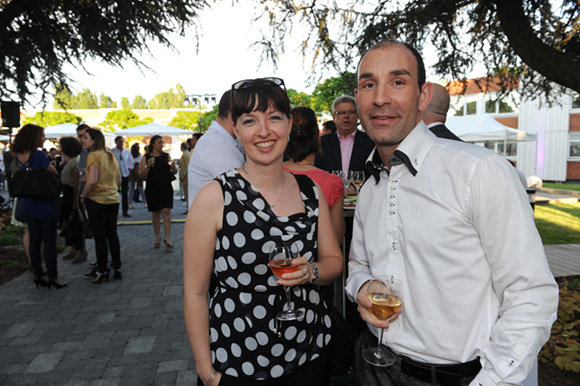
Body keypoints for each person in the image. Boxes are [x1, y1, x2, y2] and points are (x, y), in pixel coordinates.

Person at [346, 40, 559, 385]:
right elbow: (357, 264)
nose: (381, 98)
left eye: (398, 82)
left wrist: (492, 381)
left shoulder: (477, 171)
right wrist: (364, 285)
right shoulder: (370, 188)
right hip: (374, 366)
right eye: (369, 84)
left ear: (423, 95)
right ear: (358, 98)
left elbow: (531, 293)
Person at [184, 77, 343, 386]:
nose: (264, 131)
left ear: (288, 123)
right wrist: (208, 373)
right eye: (249, 120)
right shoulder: (215, 197)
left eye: (274, 117)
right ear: (235, 129)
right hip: (238, 360)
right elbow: (195, 292)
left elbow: (334, 261)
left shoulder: (311, 191)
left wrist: (311, 271)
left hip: (309, 353)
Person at [11, 124, 66, 290]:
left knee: (34, 240)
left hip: (28, 203)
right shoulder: (39, 155)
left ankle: (38, 274)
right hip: (44, 203)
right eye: (42, 135)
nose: (43, 138)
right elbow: (53, 172)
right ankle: (53, 277)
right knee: (49, 242)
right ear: (33, 137)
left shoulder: (18, 155)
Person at [283, 106, 345, 244]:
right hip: (317, 261)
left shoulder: (271, 175)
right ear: (318, 137)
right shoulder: (331, 183)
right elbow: (336, 239)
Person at [187, 90, 244, 210]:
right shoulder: (218, 144)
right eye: (249, 116)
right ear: (234, 114)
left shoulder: (222, 139)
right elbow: (243, 191)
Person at [80, 128, 122, 284]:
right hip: (113, 199)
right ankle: (117, 267)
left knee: (100, 237)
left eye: (85, 137)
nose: (83, 140)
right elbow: (118, 181)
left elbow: (92, 181)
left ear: (94, 140)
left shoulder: (93, 155)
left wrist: (83, 196)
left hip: (97, 200)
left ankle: (102, 269)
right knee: (112, 235)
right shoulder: (111, 155)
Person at [314, 95, 375, 174]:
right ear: (334, 117)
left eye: (351, 112)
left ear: (357, 116)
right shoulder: (322, 142)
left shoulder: (370, 141)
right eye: (342, 113)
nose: (346, 116)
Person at [139, 135, 177, 249]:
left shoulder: (166, 156)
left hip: (165, 186)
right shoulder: (146, 157)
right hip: (152, 187)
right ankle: (157, 236)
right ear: (153, 144)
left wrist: (174, 167)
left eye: (162, 142)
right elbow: (142, 175)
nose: (162, 144)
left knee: (166, 211)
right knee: (155, 212)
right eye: (159, 142)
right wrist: (148, 166)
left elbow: (173, 172)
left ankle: (168, 238)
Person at [58, 136, 88, 263]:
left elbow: (76, 184)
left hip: (71, 195)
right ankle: (74, 248)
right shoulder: (70, 162)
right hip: (68, 194)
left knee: (76, 224)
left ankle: (81, 250)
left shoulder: (74, 163)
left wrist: (76, 202)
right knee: (71, 223)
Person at [111, 136, 133, 217]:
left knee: (125, 193)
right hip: (115, 175)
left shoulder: (127, 152)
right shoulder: (112, 152)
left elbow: (131, 163)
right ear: (116, 142)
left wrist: (129, 172)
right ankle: (114, 212)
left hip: (125, 174)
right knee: (114, 193)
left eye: (122, 141)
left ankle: (125, 211)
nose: (121, 143)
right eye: (120, 141)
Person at [128, 143, 145, 208]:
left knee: (135, 188)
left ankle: (130, 203)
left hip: (137, 173)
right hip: (134, 173)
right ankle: (144, 202)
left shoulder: (139, 156)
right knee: (136, 188)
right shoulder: (138, 156)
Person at [179, 142, 191, 212]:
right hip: (189, 176)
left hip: (186, 177)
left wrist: (182, 176)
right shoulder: (188, 153)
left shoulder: (184, 155)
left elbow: (184, 167)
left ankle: (188, 208)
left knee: (187, 194)